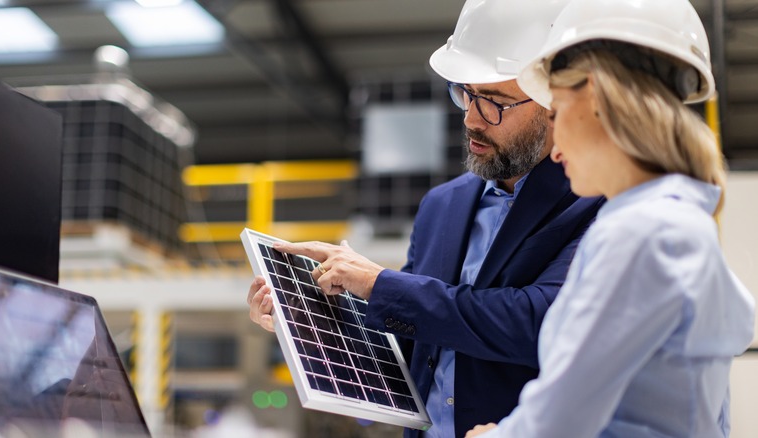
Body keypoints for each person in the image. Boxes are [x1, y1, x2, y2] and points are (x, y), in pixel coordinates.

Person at [248, 1, 605, 436]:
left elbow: (539, 322)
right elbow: (413, 344)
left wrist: (380, 283)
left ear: (555, 104)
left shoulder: (593, 200)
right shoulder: (443, 206)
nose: (472, 119)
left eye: (494, 102)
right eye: (465, 94)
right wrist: (306, 323)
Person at [465, 0, 756, 436]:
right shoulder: (675, 224)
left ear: (598, 100)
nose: (556, 148)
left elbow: (564, 415)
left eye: (558, 113)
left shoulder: (644, 233)